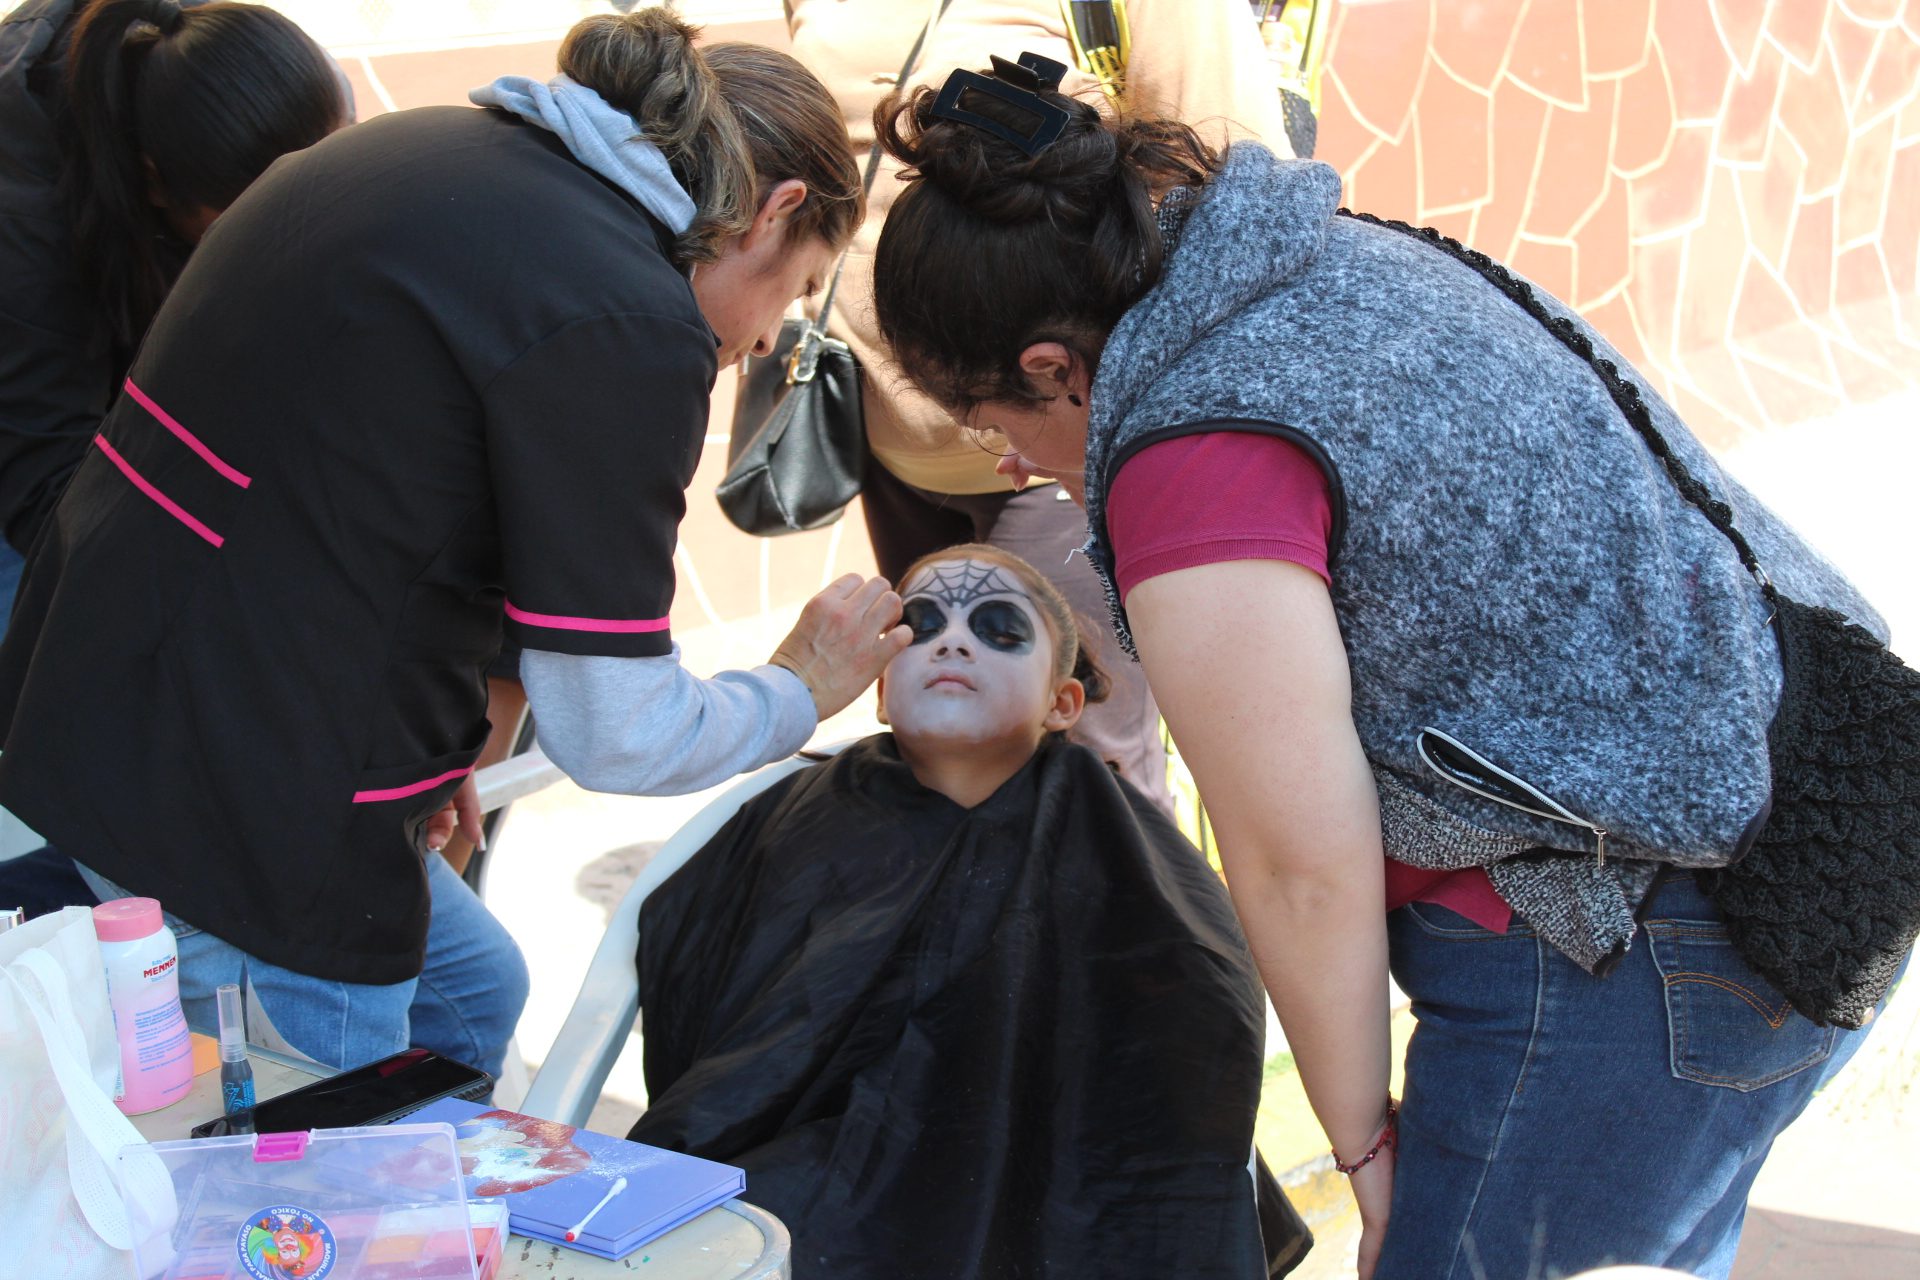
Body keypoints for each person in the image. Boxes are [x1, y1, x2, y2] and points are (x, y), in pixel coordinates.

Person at [862, 59, 1911, 1279]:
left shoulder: (1189, 447)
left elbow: (1298, 865)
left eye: (996, 424)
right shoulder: (1320, 259)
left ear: (1053, 364)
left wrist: (1363, 1149)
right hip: (1829, 799)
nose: (1017, 466)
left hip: (1652, 938)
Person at [0, 10, 909, 1082]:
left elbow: (370, 481)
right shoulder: (626, 312)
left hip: (102, 702)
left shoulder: (434, 145)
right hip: (240, 805)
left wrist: (420, 749)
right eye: (796, 290)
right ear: (775, 210)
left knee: (472, 995)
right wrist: (799, 688)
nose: (763, 342)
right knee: (333, 1180)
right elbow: (616, 734)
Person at [626, 544, 1310, 1279]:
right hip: (797, 1168)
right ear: (882, 693)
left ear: (1062, 702)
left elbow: (1185, 1026)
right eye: (920, 626)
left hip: (1052, 1189)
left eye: (999, 628)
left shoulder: (1113, 846)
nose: (953, 640)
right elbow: (713, 1001)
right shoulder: (798, 821)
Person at [781, 0, 1295, 814]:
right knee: (949, 736)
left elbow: (1243, 199)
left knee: (1096, 754)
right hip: (888, 441)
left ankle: (1123, 927)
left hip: (1068, 440)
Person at [0, 0, 347, 632]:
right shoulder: (25, 233)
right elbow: (43, 489)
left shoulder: (244, 82)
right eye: (238, 229)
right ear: (155, 185)